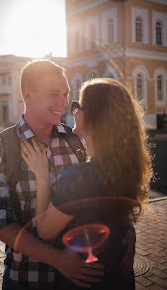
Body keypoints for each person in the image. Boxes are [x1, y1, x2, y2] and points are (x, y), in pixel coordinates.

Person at [0, 62, 135, 290]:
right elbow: (2, 224)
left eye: (65, 95)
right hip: (28, 279)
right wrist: (58, 259)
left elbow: (104, 192)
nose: (63, 103)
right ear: (28, 96)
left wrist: (127, 228)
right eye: (54, 95)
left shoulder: (76, 141)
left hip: (81, 279)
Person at [21, 78, 153, 289]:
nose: (73, 111)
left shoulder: (78, 177)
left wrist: (42, 177)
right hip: (119, 278)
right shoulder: (125, 167)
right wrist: (127, 230)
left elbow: (45, 231)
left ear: (95, 117)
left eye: (78, 106)